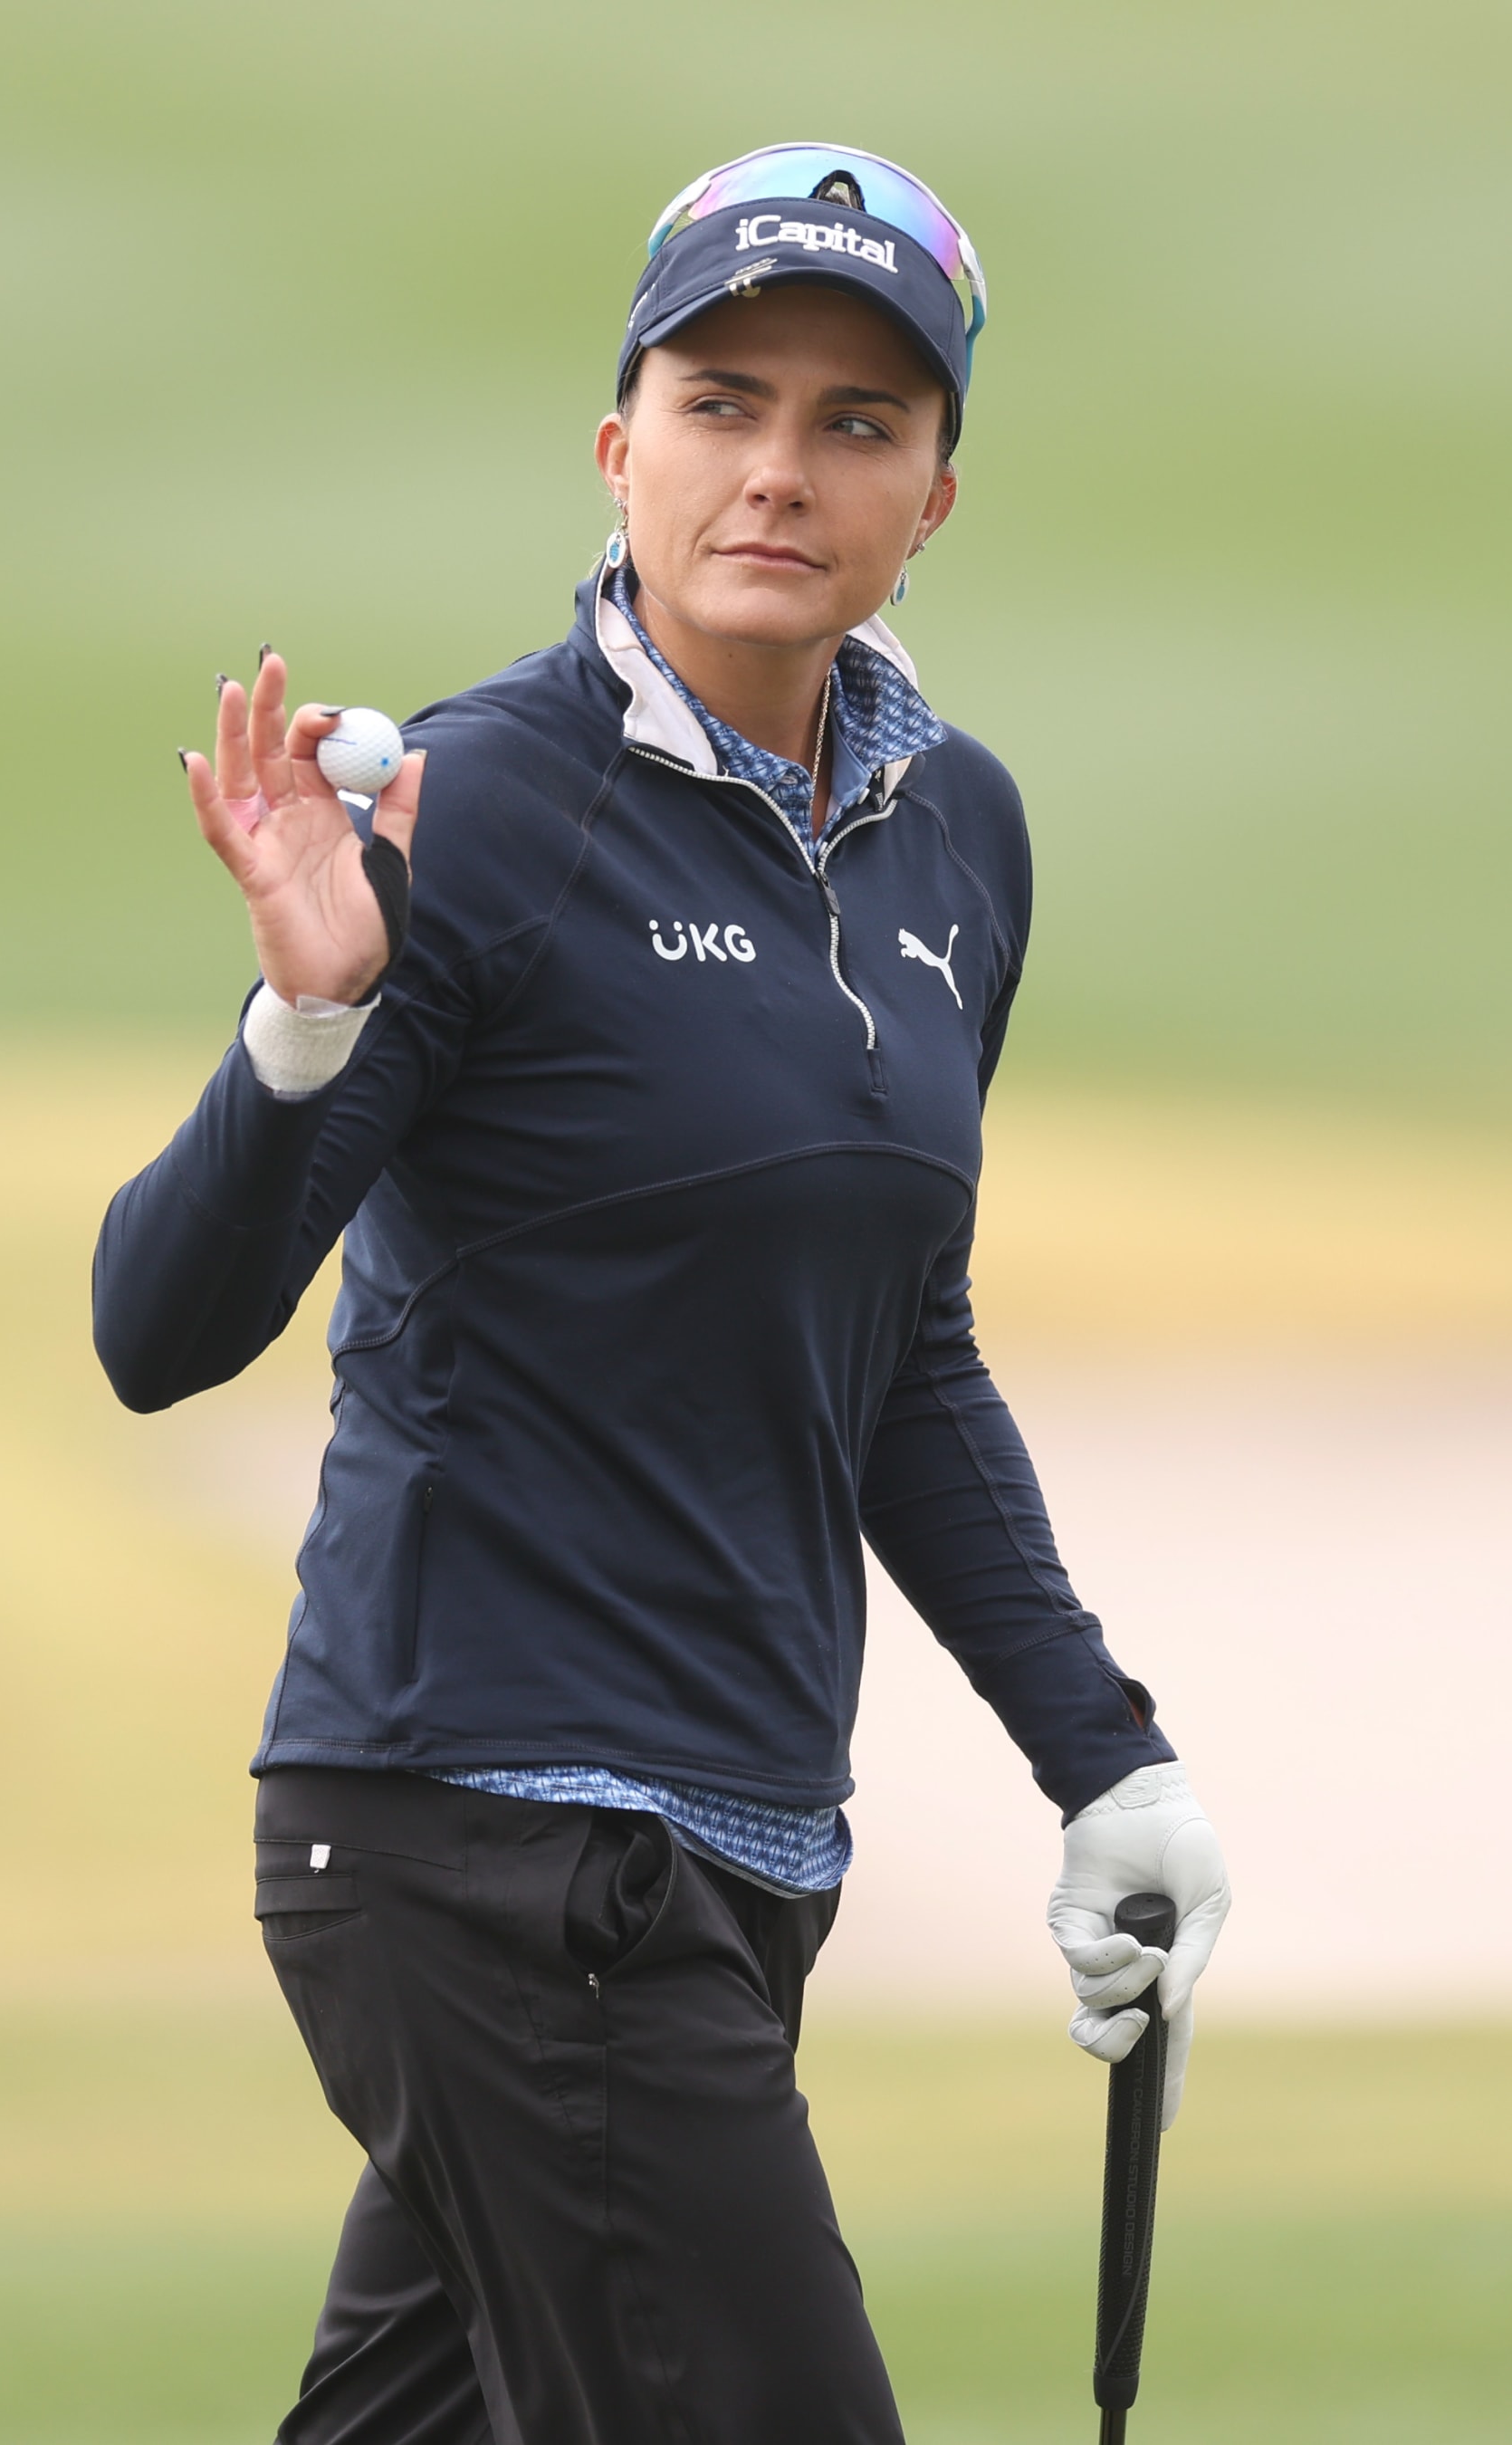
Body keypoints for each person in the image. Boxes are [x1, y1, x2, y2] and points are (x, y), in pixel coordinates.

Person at [94, 142, 1230, 2445]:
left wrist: (1105, 1758)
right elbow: (156, 1330)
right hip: (491, 1840)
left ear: (936, 492)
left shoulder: (957, 839)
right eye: (722, 403)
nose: (779, 471)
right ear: (619, 451)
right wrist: (302, 1024)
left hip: (722, 1849)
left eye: (856, 423)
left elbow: (901, 1343)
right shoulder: (477, 807)